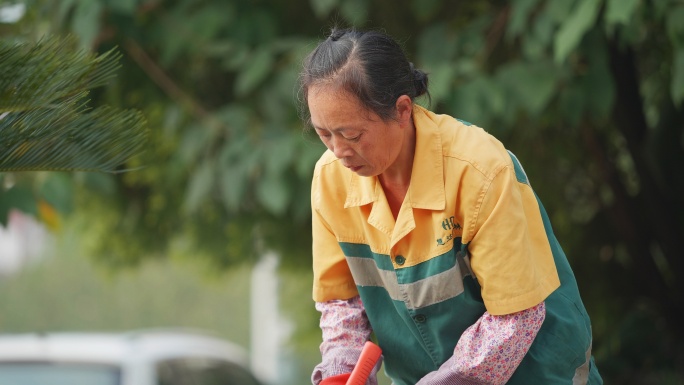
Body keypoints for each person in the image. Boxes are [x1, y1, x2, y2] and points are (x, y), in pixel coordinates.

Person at [299, 27, 603, 385]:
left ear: (401, 110)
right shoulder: (329, 179)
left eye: (351, 135)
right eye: (323, 134)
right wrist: (341, 369)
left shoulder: (481, 170)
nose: (338, 151)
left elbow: (515, 319)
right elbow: (341, 304)